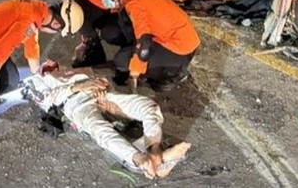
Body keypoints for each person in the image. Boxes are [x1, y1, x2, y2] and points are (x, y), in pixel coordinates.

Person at [18, 59, 191, 180]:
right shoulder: (37, 80)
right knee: (100, 130)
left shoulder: (74, 69)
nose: (51, 63)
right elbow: (45, 99)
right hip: (76, 104)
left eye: (53, 64)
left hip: (102, 96)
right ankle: (140, 159)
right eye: (48, 64)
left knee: (147, 105)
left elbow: (103, 79)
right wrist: (77, 86)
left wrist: (102, 86)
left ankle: (154, 148)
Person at [88, 0, 200, 92]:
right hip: (171, 35)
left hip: (180, 47)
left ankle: (174, 73)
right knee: (112, 31)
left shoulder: (135, 3)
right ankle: (136, 56)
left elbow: (144, 42)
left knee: (122, 61)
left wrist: (134, 74)